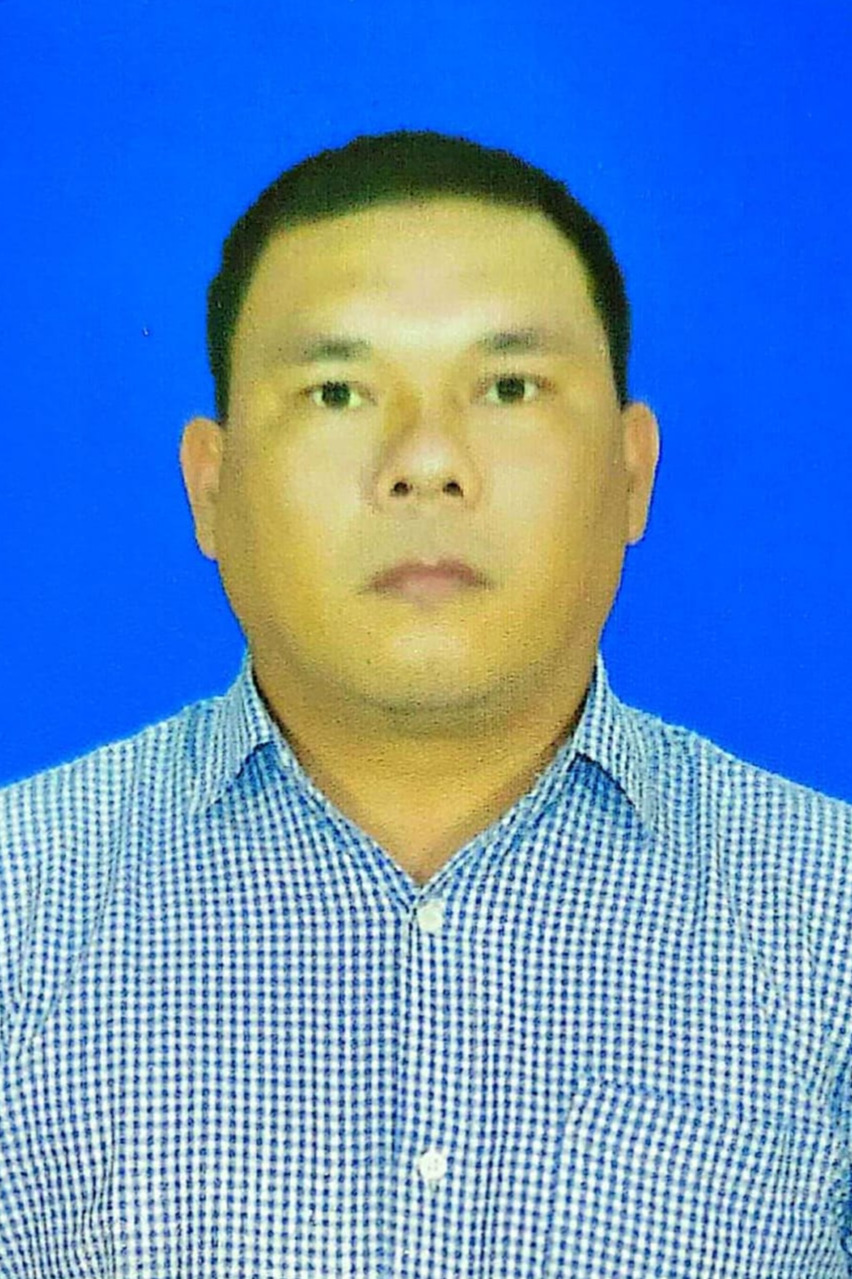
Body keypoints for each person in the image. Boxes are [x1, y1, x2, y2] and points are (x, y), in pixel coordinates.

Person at [0, 129, 850, 1278]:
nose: (427, 460)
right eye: (338, 391)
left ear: (631, 472)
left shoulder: (828, 928)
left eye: (509, 387)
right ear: (212, 487)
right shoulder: (20, 910)